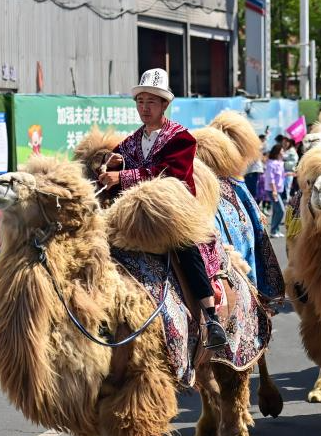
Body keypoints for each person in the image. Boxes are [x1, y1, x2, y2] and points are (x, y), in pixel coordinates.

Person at [96, 68, 227, 349]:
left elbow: (172, 174)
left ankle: (210, 317)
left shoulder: (181, 139)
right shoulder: (130, 142)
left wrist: (124, 176)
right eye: (140, 101)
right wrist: (108, 167)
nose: (144, 107)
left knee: (186, 247)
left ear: (165, 105)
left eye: (151, 101)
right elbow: (115, 165)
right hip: (133, 215)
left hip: (170, 212)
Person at [263, 143, 286, 237]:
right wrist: (274, 191)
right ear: (277, 152)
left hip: (278, 190)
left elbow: (280, 176)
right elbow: (270, 179)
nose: (283, 152)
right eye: (282, 151)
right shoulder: (271, 163)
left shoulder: (280, 162)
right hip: (273, 190)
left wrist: (290, 174)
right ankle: (273, 230)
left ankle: (275, 230)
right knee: (281, 210)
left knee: (276, 210)